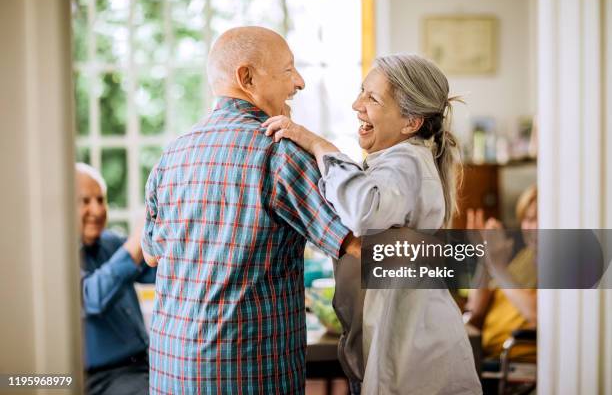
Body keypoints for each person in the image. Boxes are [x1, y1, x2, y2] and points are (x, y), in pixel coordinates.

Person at [141, 26, 360, 394]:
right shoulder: (279, 152)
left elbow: (151, 254)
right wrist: (474, 260)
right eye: (289, 70)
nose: (300, 83)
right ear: (247, 77)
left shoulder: (172, 155)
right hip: (245, 377)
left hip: (172, 373)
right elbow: (359, 244)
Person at [263, 54, 481, 394]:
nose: (356, 104)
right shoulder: (398, 161)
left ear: (411, 122)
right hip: (409, 346)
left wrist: (319, 144)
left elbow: (363, 209)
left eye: (372, 98)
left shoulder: (406, 162)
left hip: (417, 357)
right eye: (361, 92)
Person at [77, 162, 156, 395]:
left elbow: (157, 273)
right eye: (85, 201)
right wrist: (137, 240)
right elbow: (92, 297)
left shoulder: (111, 242)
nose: (98, 210)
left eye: (101, 200)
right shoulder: (55, 262)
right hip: (103, 379)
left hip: (146, 364)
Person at [465, 185, 538, 362]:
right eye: (525, 219)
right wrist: (485, 258)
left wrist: (498, 267)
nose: (527, 227)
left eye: (535, 219)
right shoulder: (524, 258)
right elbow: (475, 310)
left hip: (513, 362)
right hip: (486, 356)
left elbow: (536, 313)